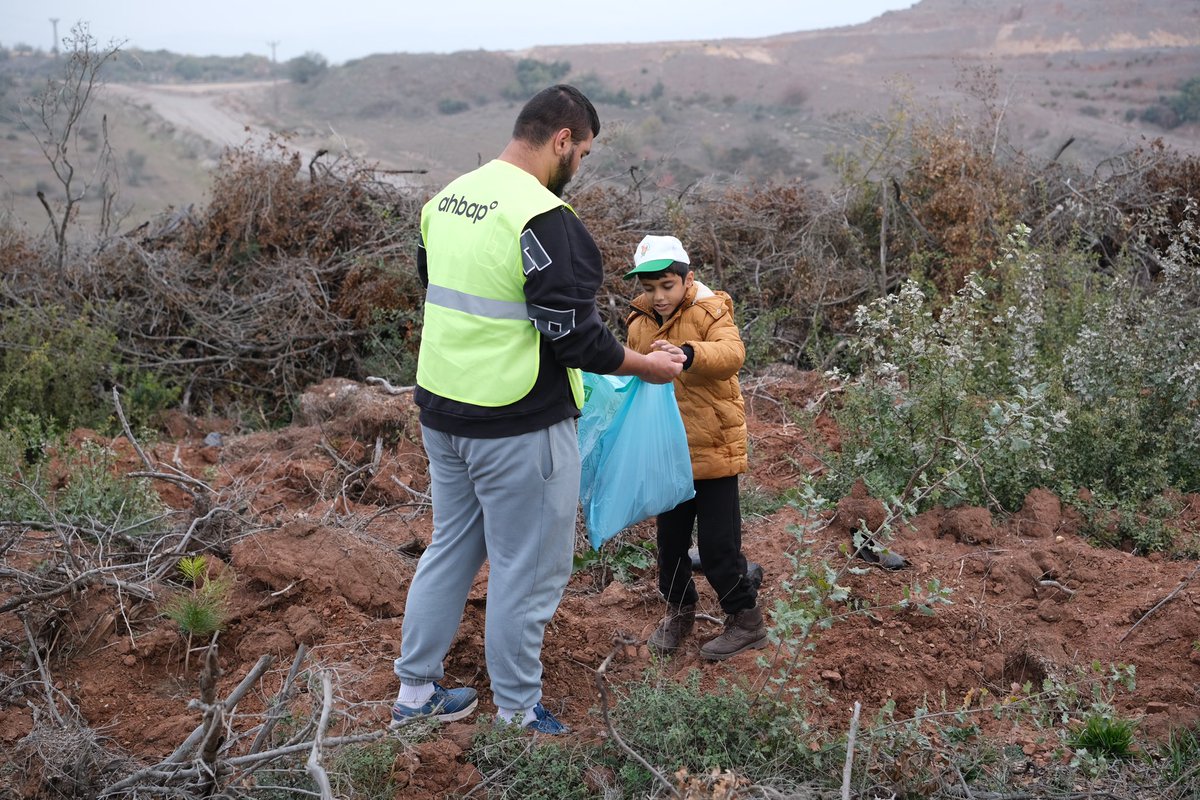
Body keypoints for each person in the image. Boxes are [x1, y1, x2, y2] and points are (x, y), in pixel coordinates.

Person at [390, 85, 685, 735]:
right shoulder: (546, 220)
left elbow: (437, 288)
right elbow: (577, 340)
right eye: (581, 151)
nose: (579, 163)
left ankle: (414, 694)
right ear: (562, 142)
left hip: (444, 413)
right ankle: (519, 712)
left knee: (451, 549)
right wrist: (649, 367)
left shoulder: (448, 201)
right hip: (519, 423)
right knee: (527, 572)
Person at [624, 234, 767, 660]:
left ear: (688, 279)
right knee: (669, 545)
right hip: (668, 452)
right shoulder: (638, 321)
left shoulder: (710, 309)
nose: (658, 296)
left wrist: (687, 353)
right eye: (649, 288)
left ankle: (746, 621)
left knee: (719, 546)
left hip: (714, 448)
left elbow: (731, 353)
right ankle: (680, 610)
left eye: (667, 285)